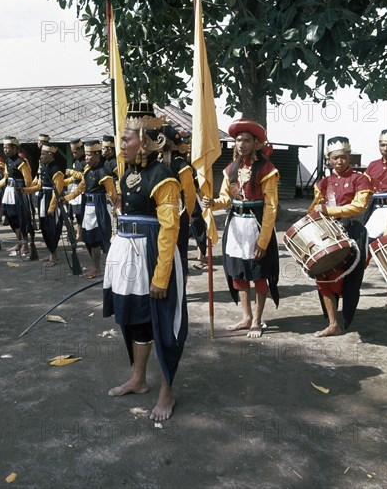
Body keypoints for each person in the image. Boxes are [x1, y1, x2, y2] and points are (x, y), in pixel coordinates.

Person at [103, 102, 187, 422]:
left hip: (154, 255)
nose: (121, 144)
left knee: (162, 323)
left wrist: (161, 275)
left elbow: (170, 228)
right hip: (128, 255)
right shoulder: (129, 175)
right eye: (121, 139)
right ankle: (138, 379)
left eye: (126, 139)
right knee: (135, 319)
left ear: (147, 141)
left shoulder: (163, 177)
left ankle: (167, 390)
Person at [202, 119, 279, 338]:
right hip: (235, 226)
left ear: (256, 143)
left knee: (259, 273)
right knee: (238, 273)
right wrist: (213, 203)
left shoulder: (267, 169)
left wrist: (263, 241)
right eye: (238, 140)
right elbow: (226, 198)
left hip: (256, 226)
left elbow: (271, 207)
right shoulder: (231, 169)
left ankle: (257, 320)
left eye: (246, 140)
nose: (241, 144)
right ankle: (245, 317)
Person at [308, 136, 373, 336]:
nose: (339, 161)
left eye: (343, 157)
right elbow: (314, 208)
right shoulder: (323, 183)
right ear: (329, 159)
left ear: (349, 157)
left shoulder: (361, 179)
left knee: (352, 277)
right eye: (335, 158)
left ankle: (346, 317)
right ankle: (332, 323)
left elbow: (359, 206)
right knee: (324, 274)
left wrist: (330, 210)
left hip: (353, 229)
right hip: (329, 231)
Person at [62, 139, 117, 279]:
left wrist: (116, 208)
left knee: (102, 239)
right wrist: (67, 198)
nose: (86, 158)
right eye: (85, 155)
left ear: (98, 154)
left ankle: (103, 269)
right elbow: (81, 187)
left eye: (89, 155)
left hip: (100, 209)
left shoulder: (103, 172)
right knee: (90, 240)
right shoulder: (87, 171)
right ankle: (97, 268)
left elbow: (112, 193)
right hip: (88, 208)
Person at [0, 137, 32, 257]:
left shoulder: (21, 162)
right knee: (11, 218)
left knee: (21, 218)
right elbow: (6, 178)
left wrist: (25, 191)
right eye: (4, 147)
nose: (5, 149)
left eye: (7, 147)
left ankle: (25, 244)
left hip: (19, 192)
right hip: (9, 192)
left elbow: (28, 180)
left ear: (14, 148)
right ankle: (18, 242)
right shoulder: (8, 161)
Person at [162, 124, 195, 279]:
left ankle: (181, 289)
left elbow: (189, 196)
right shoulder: (158, 164)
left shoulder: (182, 167)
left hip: (178, 215)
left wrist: (185, 217)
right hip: (160, 217)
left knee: (180, 254)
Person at [24, 143, 64, 266]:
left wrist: (52, 207)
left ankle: (53, 256)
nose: (40, 156)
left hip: (51, 200)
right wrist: (25, 190)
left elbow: (57, 191)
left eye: (42, 154)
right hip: (43, 199)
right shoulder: (44, 168)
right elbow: (39, 186)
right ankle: (51, 253)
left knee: (52, 229)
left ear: (50, 155)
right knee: (45, 228)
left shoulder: (56, 170)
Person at [364, 129, 387, 307]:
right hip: (376, 209)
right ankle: (352, 282)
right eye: (382, 144)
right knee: (365, 245)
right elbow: (364, 186)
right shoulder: (372, 165)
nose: (385, 148)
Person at [64, 138, 86, 242]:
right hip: (75, 188)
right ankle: (75, 233)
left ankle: (80, 235)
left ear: (81, 149)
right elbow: (74, 178)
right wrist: (63, 182)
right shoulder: (76, 162)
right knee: (74, 214)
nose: (73, 154)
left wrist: (72, 172)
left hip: (82, 190)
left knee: (80, 214)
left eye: (75, 152)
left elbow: (84, 176)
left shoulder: (85, 161)